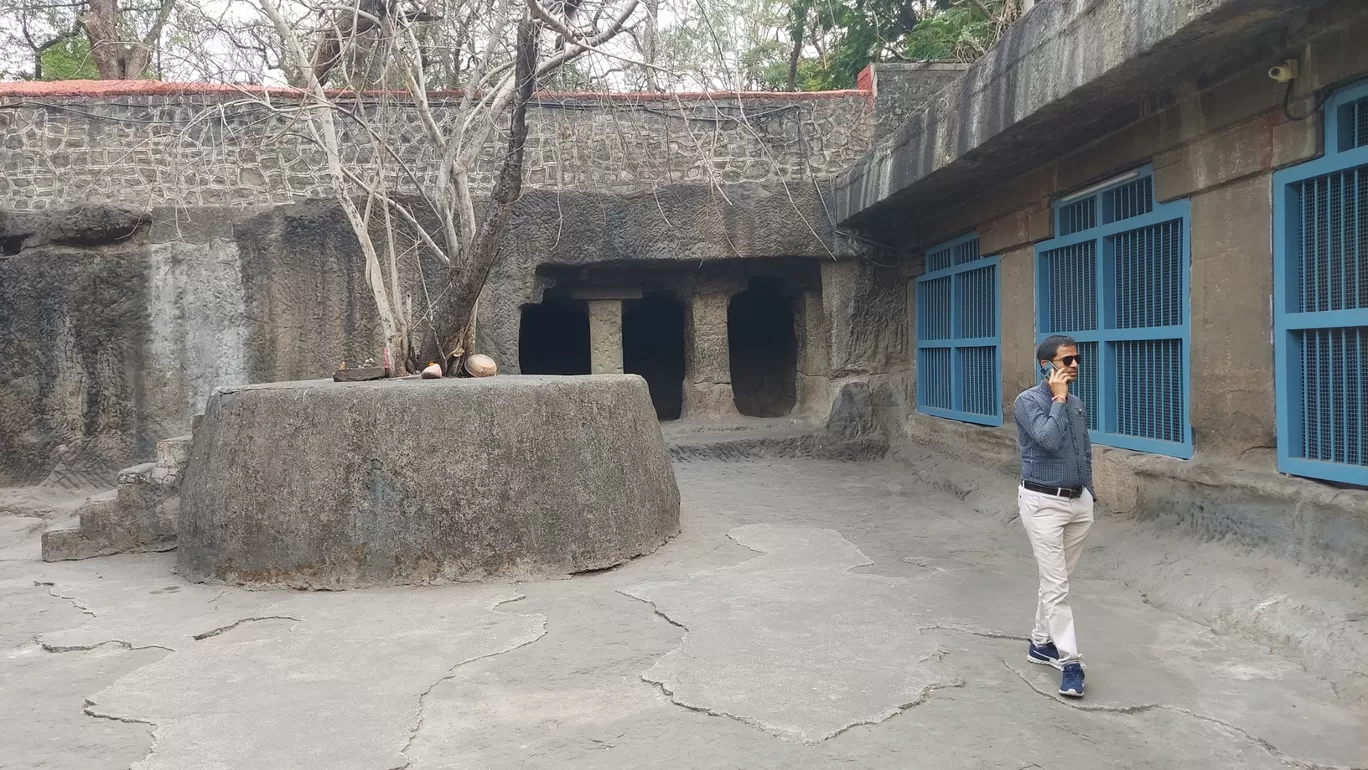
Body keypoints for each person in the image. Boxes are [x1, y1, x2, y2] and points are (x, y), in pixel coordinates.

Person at [1012, 335, 1093, 698]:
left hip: (1078, 502)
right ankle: (1070, 662)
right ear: (1046, 365)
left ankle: (1041, 643)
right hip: (1043, 503)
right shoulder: (1027, 402)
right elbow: (1046, 439)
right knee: (1057, 586)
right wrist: (1057, 399)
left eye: (1076, 359)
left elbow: (1082, 450)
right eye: (1066, 360)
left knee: (1058, 581)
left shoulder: (1076, 403)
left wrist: (1089, 493)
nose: (1074, 365)